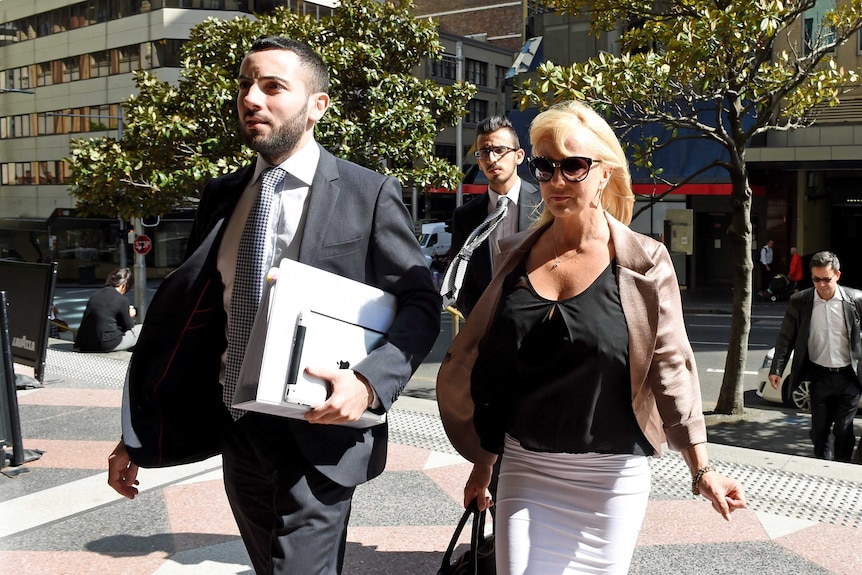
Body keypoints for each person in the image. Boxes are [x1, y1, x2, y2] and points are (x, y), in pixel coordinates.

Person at [106, 36, 440, 574]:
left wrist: (371, 381)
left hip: (319, 428)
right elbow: (191, 328)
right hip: (238, 427)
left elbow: (421, 304)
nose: (251, 98)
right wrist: (138, 436)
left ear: (316, 106)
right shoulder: (222, 197)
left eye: (272, 86)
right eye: (244, 86)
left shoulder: (367, 192)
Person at [437, 100, 746, 575]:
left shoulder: (644, 262)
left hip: (610, 477)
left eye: (574, 166)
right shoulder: (513, 253)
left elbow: (671, 365)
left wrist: (700, 467)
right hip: (525, 465)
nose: (556, 181)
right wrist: (483, 465)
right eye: (545, 166)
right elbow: (501, 371)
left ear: (604, 173)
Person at [769, 251, 862, 462]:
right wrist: (777, 369)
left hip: (849, 376)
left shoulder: (855, 300)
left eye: (826, 279)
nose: (821, 284)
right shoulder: (800, 301)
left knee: (843, 429)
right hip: (819, 376)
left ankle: (842, 468)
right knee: (819, 431)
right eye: (816, 279)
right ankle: (822, 467)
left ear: (838, 275)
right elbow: (786, 337)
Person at [448, 115, 542, 317]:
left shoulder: (545, 204)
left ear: (519, 156)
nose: (491, 159)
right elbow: (460, 280)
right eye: (484, 153)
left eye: (499, 150)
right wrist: (480, 321)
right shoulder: (465, 216)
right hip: (487, 334)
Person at [74, 267, 141, 352]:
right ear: (124, 285)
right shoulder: (121, 299)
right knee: (140, 329)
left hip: (85, 344)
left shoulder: (95, 295)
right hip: (106, 344)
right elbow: (128, 326)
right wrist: (130, 314)